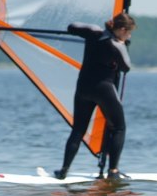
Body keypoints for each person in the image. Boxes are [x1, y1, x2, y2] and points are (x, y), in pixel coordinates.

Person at [53, 12, 136, 181]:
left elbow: (72, 27)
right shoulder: (116, 44)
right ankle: (113, 171)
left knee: (78, 130)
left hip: (83, 88)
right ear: (121, 30)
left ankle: (63, 170)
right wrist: (122, 45)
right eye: (128, 32)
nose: (129, 35)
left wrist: (94, 30)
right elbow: (126, 68)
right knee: (119, 128)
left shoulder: (94, 32)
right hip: (104, 89)